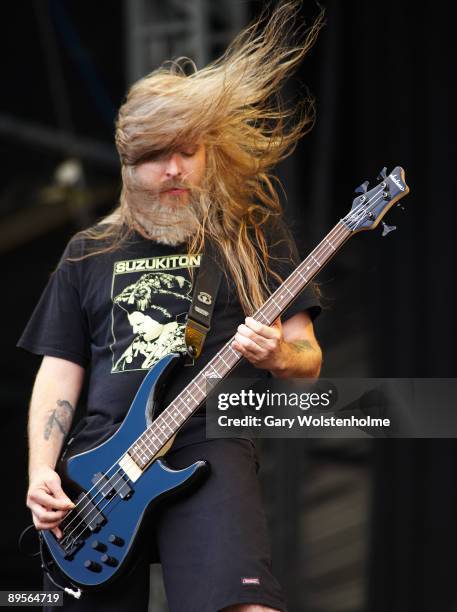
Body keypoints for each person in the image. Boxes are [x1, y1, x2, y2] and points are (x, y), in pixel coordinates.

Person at [18, 2, 324, 610]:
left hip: (208, 440)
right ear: (131, 165)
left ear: (209, 152)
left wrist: (279, 354)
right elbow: (59, 370)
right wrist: (41, 471)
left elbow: (309, 358)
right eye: (158, 155)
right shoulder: (89, 251)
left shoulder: (250, 235)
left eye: (188, 151)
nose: (175, 169)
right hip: (97, 470)